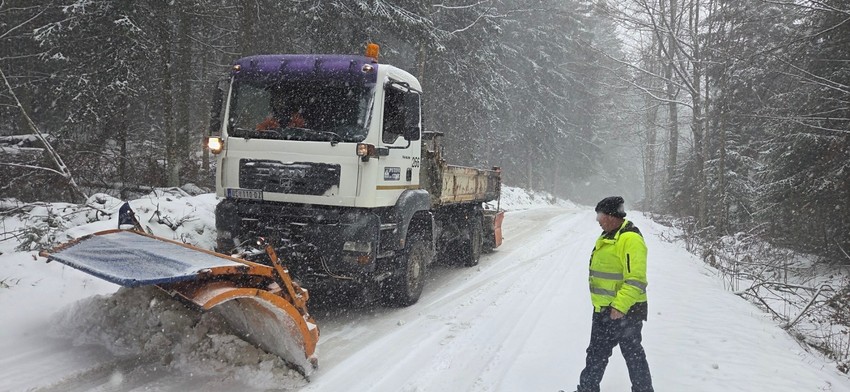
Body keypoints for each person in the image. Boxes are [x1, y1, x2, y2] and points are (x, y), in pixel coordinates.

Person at [574, 196, 653, 392]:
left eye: (600, 215)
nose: (598, 220)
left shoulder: (630, 239)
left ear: (610, 215)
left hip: (626, 311)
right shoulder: (608, 236)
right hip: (604, 309)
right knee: (596, 354)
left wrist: (620, 306)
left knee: (633, 356)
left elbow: (636, 279)